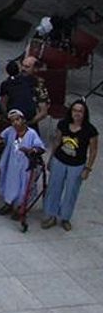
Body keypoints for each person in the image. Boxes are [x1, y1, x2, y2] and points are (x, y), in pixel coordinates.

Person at [43, 99, 97, 231]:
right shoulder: (63, 124)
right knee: (54, 188)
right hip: (59, 161)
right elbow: (57, 142)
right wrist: (51, 159)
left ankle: (65, 217)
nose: (77, 113)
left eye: (80, 111)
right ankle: (51, 215)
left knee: (71, 192)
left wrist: (87, 169)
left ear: (84, 113)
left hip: (77, 165)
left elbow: (93, 151)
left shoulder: (90, 130)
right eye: (74, 110)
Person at [0, 110, 45, 218]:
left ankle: (21, 208)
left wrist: (32, 150)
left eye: (17, 119)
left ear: (23, 120)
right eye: (13, 121)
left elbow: (40, 147)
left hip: (25, 166)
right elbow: (1, 138)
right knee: (9, 184)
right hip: (11, 164)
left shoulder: (31, 133)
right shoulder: (10, 131)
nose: (15, 123)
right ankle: (8, 204)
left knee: (24, 187)